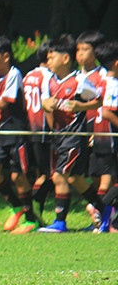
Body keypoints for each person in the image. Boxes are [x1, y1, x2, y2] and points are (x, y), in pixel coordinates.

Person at [37, 36, 106, 233]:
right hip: (59, 136)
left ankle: (60, 222)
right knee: (76, 179)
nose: (48, 61)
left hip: (74, 136)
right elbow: (45, 100)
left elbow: (99, 101)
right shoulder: (48, 80)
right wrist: (46, 104)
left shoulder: (79, 80)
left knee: (60, 176)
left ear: (65, 59)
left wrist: (80, 105)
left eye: (52, 57)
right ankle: (106, 212)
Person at [0, 36, 40, 234]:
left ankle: (31, 219)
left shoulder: (14, 74)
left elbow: (3, 103)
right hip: (0, 133)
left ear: (6, 57)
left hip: (16, 132)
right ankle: (17, 207)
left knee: (18, 175)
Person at [75, 30, 110, 222]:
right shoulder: (75, 75)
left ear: (97, 51)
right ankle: (100, 215)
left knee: (105, 172)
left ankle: (103, 212)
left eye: (85, 49)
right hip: (82, 131)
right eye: (78, 49)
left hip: (101, 131)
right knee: (92, 174)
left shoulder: (104, 75)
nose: (80, 53)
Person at [22, 41, 54, 216]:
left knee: (35, 174)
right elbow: (47, 104)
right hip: (42, 130)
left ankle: (33, 213)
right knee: (48, 174)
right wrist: (54, 130)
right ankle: (36, 212)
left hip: (28, 129)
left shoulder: (28, 75)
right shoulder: (48, 76)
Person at [89, 40, 118, 232]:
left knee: (109, 179)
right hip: (109, 138)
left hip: (99, 135)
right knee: (110, 180)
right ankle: (96, 207)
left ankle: (109, 222)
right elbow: (107, 112)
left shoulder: (99, 82)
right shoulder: (113, 84)